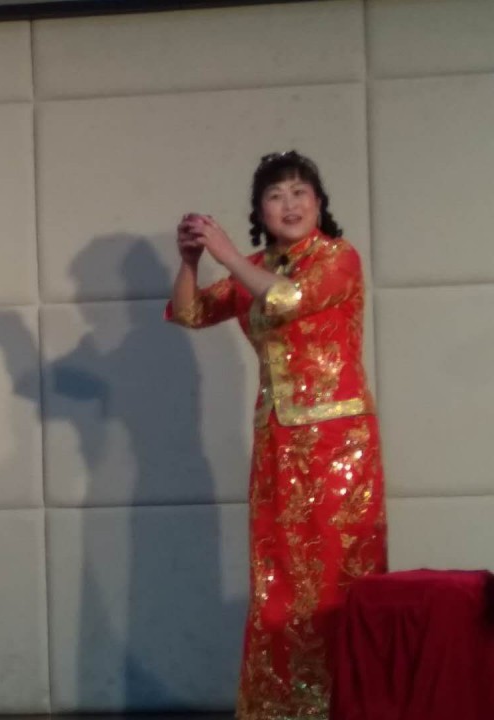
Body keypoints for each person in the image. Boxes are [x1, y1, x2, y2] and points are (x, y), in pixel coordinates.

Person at [165, 151, 387, 719]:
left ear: (319, 203)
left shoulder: (337, 258)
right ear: (260, 211)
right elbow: (189, 313)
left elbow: (288, 298)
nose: (289, 204)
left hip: (338, 442)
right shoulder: (256, 267)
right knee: (278, 578)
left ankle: (350, 703)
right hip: (278, 442)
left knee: (338, 575)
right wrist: (191, 261)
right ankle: (281, 708)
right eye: (275, 195)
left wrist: (227, 255)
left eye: (299, 193)